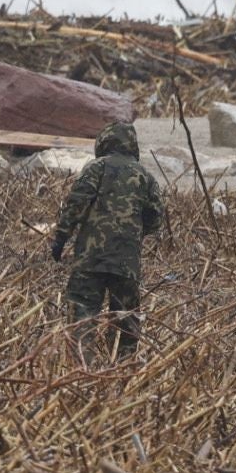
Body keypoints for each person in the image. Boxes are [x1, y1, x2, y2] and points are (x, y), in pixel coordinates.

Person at [50, 121, 164, 359]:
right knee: (125, 317)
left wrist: (60, 238)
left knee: (81, 310)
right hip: (126, 262)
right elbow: (155, 218)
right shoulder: (145, 176)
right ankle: (122, 368)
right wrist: (133, 235)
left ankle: (81, 369)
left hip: (91, 259)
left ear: (103, 142)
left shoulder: (97, 167)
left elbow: (76, 204)